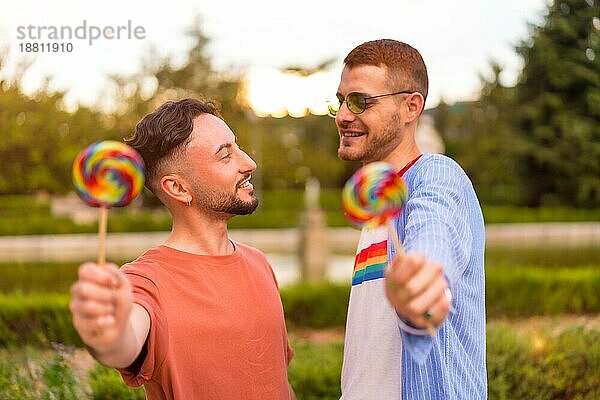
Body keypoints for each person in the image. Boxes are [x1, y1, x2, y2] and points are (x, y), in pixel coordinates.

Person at [69, 98, 296, 400]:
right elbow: (123, 342)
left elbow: (278, 382)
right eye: (225, 156)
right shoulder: (145, 281)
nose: (249, 163)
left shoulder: (259, 262)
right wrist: (107, 334)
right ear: (178, 188)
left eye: (237, 147)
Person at [330, 39, 487, 399]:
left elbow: (434, 235)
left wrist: (423, 276)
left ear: (410, 107)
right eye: (340, 100)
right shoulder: (380, 207)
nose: (342, 115)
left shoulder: (435, 175)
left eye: (359, 101)